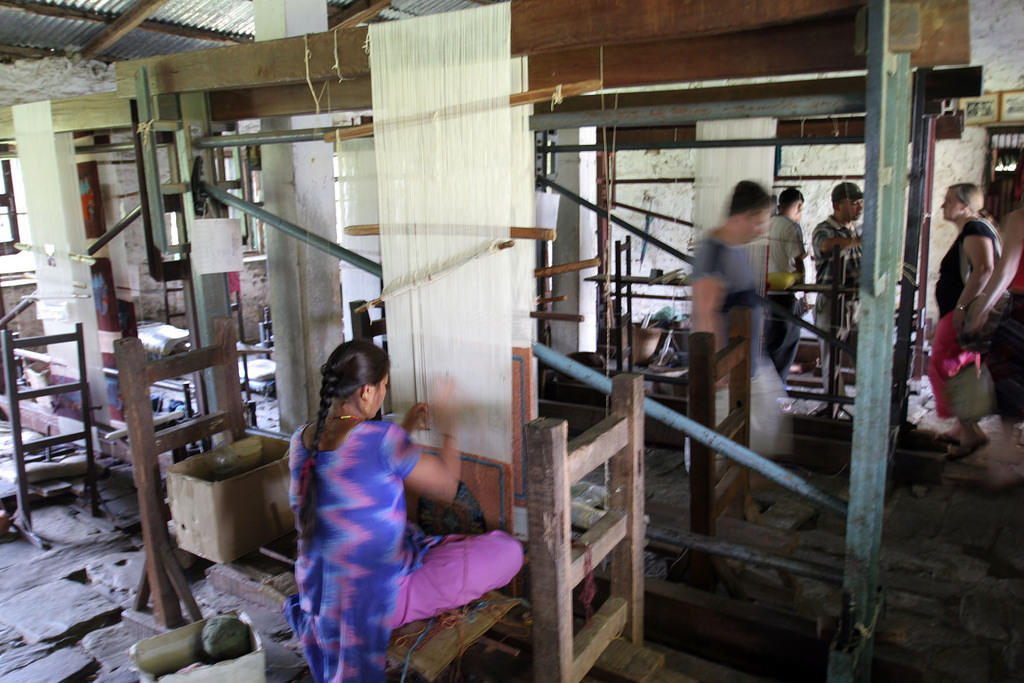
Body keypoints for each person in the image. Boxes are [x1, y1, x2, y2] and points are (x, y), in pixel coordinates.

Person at [283, 340, 523, 682]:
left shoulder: (300, 440)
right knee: (508, 551)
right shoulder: (383, 440)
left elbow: (358, 469)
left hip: (319, 589)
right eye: (383, 387)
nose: (383, 394)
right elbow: (446, 487)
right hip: (376, 597)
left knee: (415, 536)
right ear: (366, 391)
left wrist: (405, 429)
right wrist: (449, 422)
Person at [927, 183, 1000, 458]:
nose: (943, 205)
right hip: (961, 313)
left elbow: (984, 269)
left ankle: (970, 434)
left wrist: (961, 308)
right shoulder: (975, 229)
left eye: (948, 200)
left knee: (943, 367)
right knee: (958, 368)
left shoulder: (975, 228)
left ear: (966, 206)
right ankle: (965, 428)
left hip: (961, 314)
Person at [692, 180, 773, 354]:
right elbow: (705, 317)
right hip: (729, 370)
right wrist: (717, 373)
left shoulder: (737, 248)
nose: (761, 230)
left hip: (745, 365)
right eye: (758, 223)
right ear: (739, 218)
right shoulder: (713, 253)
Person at [964, 207, 1024, 420]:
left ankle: (1007, 443)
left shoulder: (1019, 218)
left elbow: (1007, 269)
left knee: (1010, 377)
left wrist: (983, 307)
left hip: (1021, 309)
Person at [812, 181, 864, 395]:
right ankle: (836, 404)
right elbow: (825, 246)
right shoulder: (823, 230)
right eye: (854, 203)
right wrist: (858, 241)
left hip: (856, 303)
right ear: (837, 205)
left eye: (860, 203)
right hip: (833, 303)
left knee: (862, 357)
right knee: (830, 359)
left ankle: (865, 409)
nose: (859, 207)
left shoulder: (856, 231)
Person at [765, 187, 808, 382]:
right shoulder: (791, 227)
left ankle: (764, 395)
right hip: (783, 298)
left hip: (763, 295)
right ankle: (776, 395)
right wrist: (805, 293)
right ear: (799, 206)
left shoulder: (765, 225)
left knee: (768, 347)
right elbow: (798, 262)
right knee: (784, 349)